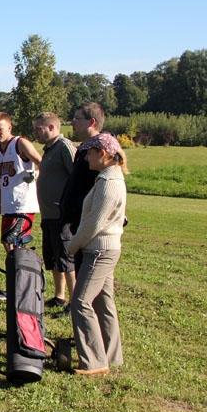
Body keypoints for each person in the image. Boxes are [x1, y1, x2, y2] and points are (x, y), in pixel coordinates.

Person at [66, 133, 128, 376]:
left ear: (103, 154)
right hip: (105, 248)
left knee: (80, 302)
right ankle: (112, 356)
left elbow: (94, 223)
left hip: (99, 251)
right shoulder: (107, 177)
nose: (86, 158)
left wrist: (72, 246)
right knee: (103, 301)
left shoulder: (109, 182)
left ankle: (94, 361)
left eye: (90, 153)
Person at [0, 111, 41, 302]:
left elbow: (41, 162)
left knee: (13, 242)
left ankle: (21, 285)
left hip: (23, 203)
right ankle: (18, 283)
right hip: (9, 204)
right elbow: (2, 179)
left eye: (0, 129)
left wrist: (34, 176)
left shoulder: (20, 144)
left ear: (9, 127)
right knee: (7, 242)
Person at [33, 112, 77, 311]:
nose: (36, 132)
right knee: (53, 258)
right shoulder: (49, 149)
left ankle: (74, 301)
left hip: (62, 216)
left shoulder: (64, 147)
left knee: (66, 259)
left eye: (39, 128)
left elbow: (77, 177)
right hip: (48, 215)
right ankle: (59, 296)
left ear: (51, 127)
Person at [60, 102, 105, 272]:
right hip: (76, 222)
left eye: (77, 118)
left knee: (88, 278)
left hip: (89, 225)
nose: (73, 122)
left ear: (92, 122)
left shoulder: (100, 150)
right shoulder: (83, 149)